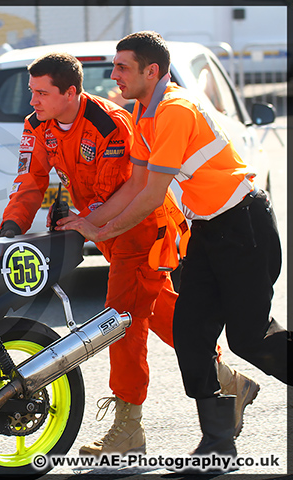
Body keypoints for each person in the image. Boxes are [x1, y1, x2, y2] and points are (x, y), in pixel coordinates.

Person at [0, 52, 259, 457]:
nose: (31, 102)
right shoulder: (38, 125)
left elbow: (122, 193)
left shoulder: (111, 124)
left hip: (140, 231)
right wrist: (12, 227)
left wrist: (80, 216)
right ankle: (229, 380)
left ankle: (129, 428)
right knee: (159, 313)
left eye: (40, 93)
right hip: (106, 231)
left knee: (120, 323)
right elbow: (32, 178)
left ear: (71, 92)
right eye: (32, 92)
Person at [57, 32, 290, 462]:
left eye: (122, 67)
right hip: (208, 231)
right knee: (189, 333)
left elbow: (151, 196)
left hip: (244, 226)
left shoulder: (176, 110)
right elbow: (137, 184)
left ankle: (222, 426)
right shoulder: (144, 113)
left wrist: (104, 232)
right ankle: (217, 444)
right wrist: (94, 221)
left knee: (248, 338)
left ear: (152, 70)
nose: (113, 75)